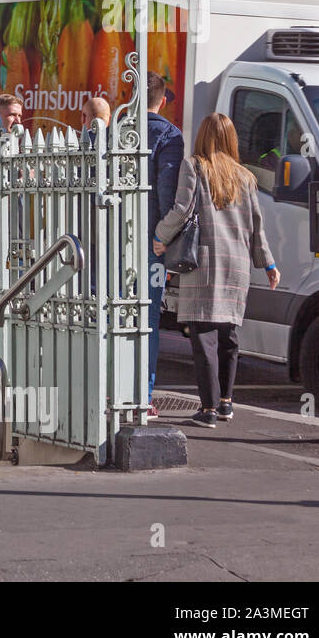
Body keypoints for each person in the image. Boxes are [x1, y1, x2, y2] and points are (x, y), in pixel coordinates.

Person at [153, 112, 280, 429]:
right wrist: (269, 264)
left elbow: (181, 210)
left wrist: (159, 236)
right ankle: (226, 403)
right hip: (237, 265)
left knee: (203, 337)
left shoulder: (194, 167)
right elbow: (256, 228)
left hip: (204, 265)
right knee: (229, 336)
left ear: (203, 136)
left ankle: (208, 408)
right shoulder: (245, 176)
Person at [144, 73, 183, 416]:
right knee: (147, 316)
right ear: (164, 100)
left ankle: (109, 387)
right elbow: (168, 194)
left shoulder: (115, 132)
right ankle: (142, 393)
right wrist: (163, 240)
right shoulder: (169, 135)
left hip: (111, 240)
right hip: (149, 245)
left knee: (112, 313)